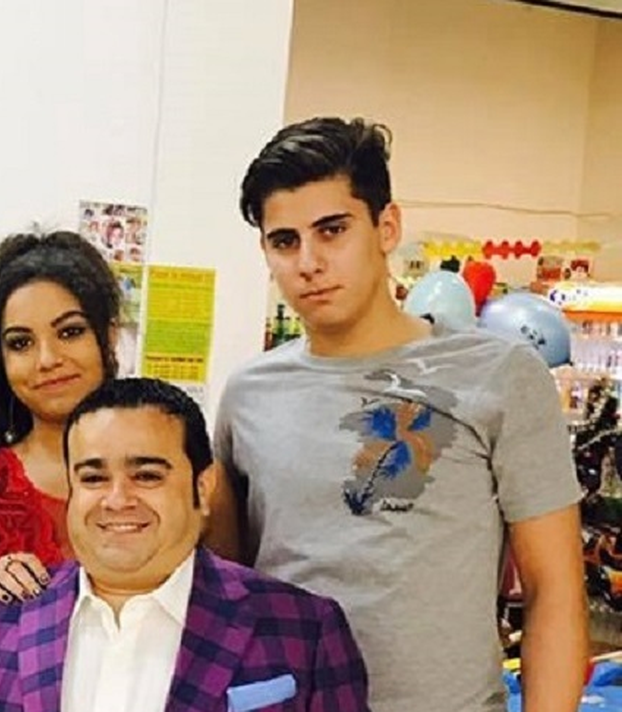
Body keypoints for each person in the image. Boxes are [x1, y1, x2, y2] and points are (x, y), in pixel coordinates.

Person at [210, 116, 587, 712]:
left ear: (387, 227)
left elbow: (555, 589)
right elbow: (228, 589)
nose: (308, 261)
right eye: (284, 241)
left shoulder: (499, 376)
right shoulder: (248, 394)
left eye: (332, 230)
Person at [0, 378, 370, 712]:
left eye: (147, 475)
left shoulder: (304, 629)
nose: (117, 500)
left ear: (202, 488)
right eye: (93, 477)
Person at [0, 231, 121, 694]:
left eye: (70, 332)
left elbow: (231, 629)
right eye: (20, 343)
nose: (48, 359)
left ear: (109, 334)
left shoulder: (180, 477)